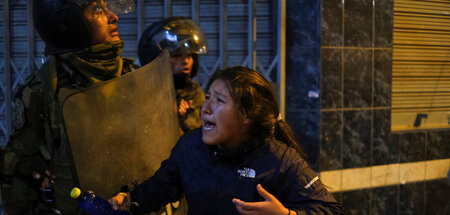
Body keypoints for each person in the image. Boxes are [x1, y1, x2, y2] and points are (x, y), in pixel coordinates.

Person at [109, 66, 343, 214]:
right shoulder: (190, 146)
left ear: (247, 115)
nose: (205, 108)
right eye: (208, 96)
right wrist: (128, 199)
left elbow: (329, 209)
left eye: (219, 100)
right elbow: (161, 187)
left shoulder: (281, 159)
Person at [0, 0, 136, 214]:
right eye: (98, 11)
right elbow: (20, 167)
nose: (113, 16)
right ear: (70, 23)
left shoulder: (132, 77)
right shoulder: (43, 91)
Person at [138, 17, 207, 133]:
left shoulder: (194, 91)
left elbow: (200, 134)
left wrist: (183, 119)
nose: (186, 61)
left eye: (189, 55)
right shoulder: (144, 93)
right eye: (176, 55)